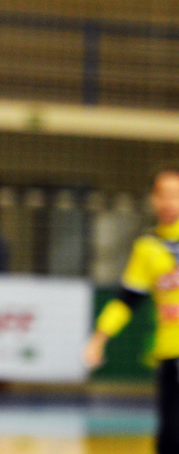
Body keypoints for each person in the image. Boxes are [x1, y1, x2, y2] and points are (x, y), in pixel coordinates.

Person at [84, 169, 179, 454]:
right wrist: (99, 338)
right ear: (152, 199)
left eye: (175, 195)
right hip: (170, 353)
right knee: (171, 435)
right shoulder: (148, 247)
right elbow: (127, 301)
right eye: (162, 194)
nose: (168, 202)